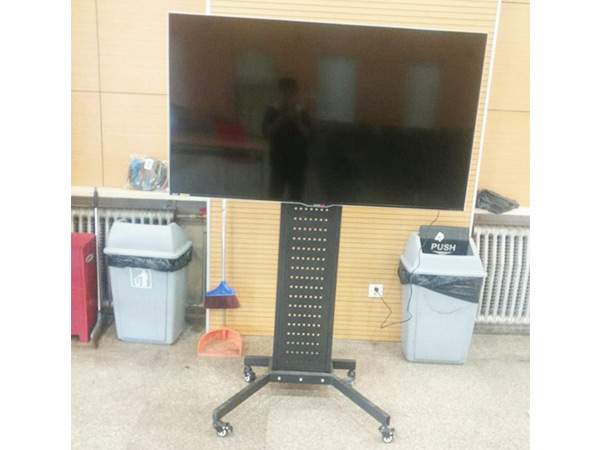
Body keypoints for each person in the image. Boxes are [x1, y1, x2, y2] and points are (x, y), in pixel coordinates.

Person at [262, 77, 311, 201]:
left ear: (295, 94)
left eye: (291, 94)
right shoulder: (272, 111)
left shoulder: (302, 113)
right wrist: (279, 120)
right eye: (285, 93)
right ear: (280, 93)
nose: (288, 97)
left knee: (296, 199)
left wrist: (298, 122)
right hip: (278, 160)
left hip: (298, 161)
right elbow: (266, 132)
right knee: (275, 197)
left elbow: (309, 135)